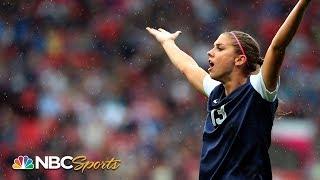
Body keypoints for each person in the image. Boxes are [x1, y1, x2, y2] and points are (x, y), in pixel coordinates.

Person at [146, 0, 312, 179]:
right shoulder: (216, 92)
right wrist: (168, 42)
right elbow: (188, 67)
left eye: (219, 48)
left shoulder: (257, 90)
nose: (210, 52)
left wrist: (302, 3)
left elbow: (278, 46)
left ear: (239, 60)